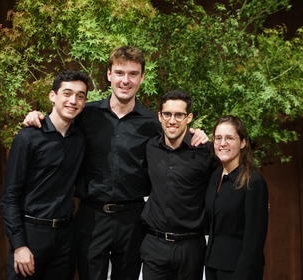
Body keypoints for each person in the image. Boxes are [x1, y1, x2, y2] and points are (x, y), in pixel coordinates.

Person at [23, 46, 208, 280]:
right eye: (120, 73)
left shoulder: (152, 122)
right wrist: (37, 115)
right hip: (92, 216)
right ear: (109, 74)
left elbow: (176, 136)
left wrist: (197, 134)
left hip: (132, 217)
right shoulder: (86, 115)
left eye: (133, 74)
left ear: (142, 78)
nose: (125, 80)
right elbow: (59, 119)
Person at [0, 69, 89, 280]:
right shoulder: (28, 137)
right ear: (52, 96)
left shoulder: (80, 138)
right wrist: (19, 245)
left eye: (80, 96)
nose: (73, 101)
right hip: (31, 235)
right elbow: (9, 197)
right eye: (67, 93)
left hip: (65, 238)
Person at [140, 90, 216, 280]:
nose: (172, 120)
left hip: (191, 246)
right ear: (160, 116)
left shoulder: (205, 150)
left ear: (189, 118)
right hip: (154, 244)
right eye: (167, 114)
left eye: (179, 115)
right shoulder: (150, 147)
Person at [205, 115, 268, 280]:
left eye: (229, 138)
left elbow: (254, 241)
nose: (222, 143)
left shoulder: (253, 181)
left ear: (243, 142)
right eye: (218, 138)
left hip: (239, 271)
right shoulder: (214, 176)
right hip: (212, 266)